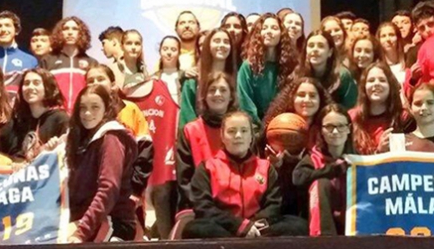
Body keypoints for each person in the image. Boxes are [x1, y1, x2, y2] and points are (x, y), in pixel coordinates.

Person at [183, 111, 307, 238]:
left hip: (258, 227)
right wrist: (238, 225)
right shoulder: (207, 168)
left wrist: (251, 226)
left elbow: (273, 204)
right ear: (222, 136)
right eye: (231, 131)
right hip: (224, 228)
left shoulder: (266, 167)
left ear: (251, 136)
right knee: (194, 229)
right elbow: (203, 207)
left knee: (298, 225)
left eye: (244, 131)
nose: (238, 136)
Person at [66, 84, 138, 242]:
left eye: (95, 107)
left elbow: (108, 189)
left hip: (112, 222)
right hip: (83, 219)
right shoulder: (80, 140)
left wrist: (80, 233)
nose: (87, 113)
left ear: (107, 109)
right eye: (82, 107)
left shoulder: (111, 138)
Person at [121, 57, 178, 239]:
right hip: (132, 175)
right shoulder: (125, 104)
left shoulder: (165, 86)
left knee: (161, 197)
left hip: (162, 162)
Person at [176, 72, 236, 210]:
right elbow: (184, 180)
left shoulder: (241, 129)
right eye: (212, 90)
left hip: (234, 206)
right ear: (204, 96)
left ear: (231, 96)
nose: (217, 94)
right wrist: (203, 207)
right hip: (199, 207)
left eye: (223, 90)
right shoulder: (189, 131)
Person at [292, 104, 354, 236]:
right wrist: (331, 170)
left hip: (351, 222)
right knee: (321, 183)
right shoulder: (312, 158)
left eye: (341, 126)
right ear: (321, 131)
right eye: (329, 127)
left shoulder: (358, 158)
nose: (335, 132)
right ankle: (324, 240)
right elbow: (297, 179)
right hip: (321, 224)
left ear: (349, 129)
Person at [237, 13, 297, 124]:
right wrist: (260, 128)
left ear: (281, 34)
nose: (269, 31)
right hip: (256, 127)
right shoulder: (248, 66)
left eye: (274, 28)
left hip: (284, 125)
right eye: (264, 28)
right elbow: (245, 102)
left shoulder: (291, 66)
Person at [3, 68, 69, 161]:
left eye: (36, 83)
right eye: (26, 83)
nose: (30, 87)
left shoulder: (60, 119)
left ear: (47, 87)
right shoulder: (17, 120)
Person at [179, 28, 237, 130]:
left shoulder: (236, 79)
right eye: (217, 41)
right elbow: (186, 118)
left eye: (226, 42)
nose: (222, 45)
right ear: (208, 45)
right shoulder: (192, 80)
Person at [39, 16, 98, 114]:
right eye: (66, 29)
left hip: (81, 114)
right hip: (55, 114)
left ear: (81, 33)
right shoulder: (48, 60)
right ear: (60, 33)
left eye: (74, 29)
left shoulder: (92, 63)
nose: (70, 32)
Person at [350, 61, 411, 154]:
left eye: (382, 80)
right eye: (371, 80)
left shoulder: (404, 118)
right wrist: (379, 151)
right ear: (364, 87)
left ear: (391, 86)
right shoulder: (352, 117)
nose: (376, 84)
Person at [293, 31, 357, 109]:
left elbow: (350, 108)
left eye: (321, 46)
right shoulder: (298, 73)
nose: (315, 49)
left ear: (330, 52)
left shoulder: (342, 75)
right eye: (311, 46)